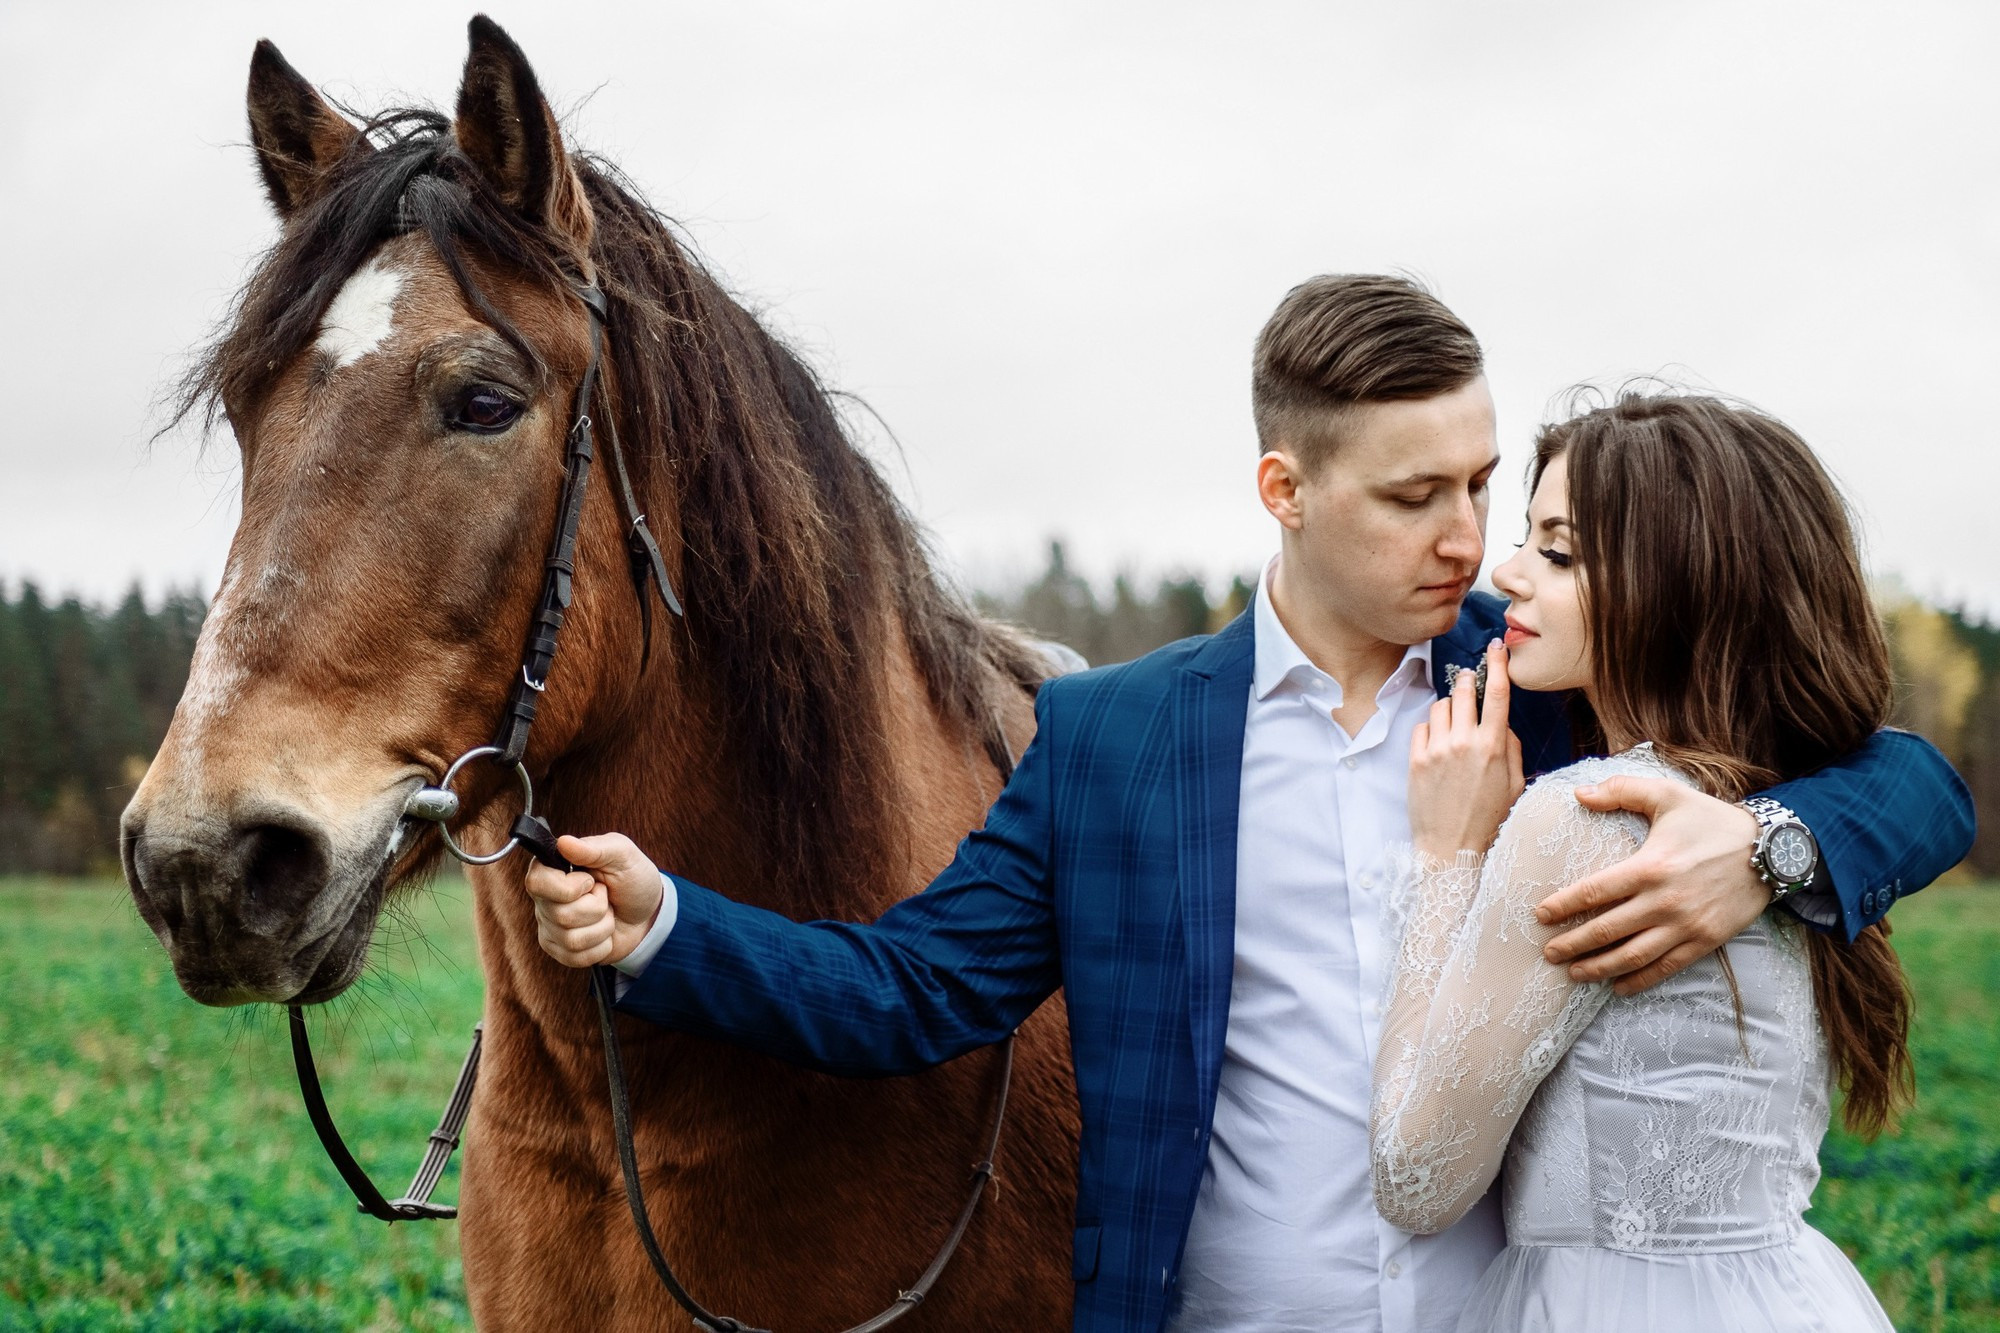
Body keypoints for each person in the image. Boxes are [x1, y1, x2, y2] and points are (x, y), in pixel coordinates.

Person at [523, 276, 1973, 1333]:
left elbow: (1898, 774)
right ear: (1284, 487)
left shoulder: (1546, 683)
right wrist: (667, 925)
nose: (1470, 538)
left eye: (1481, 481)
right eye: (1416, 497)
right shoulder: (1113, 738)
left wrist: (1771, 850)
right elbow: (914, 986)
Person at [1370, 392, 1920, 1331]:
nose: (1505, 573)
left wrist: (1450, 854)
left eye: (1559, 550)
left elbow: (1418, 1177)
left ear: (1675, 584)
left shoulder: (1585, 816)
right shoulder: (1778, 794)